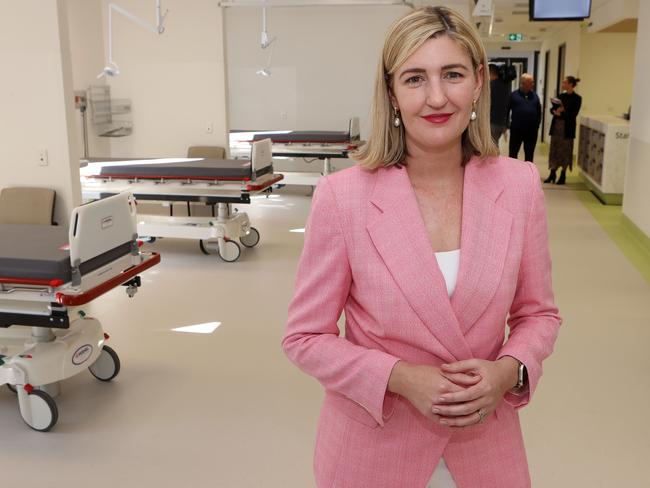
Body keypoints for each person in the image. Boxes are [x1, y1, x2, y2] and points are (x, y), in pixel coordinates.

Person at [282, 6, 561, 488]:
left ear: (477, 82)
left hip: (485, 452)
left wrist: (508, 371)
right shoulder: (344, 198)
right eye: (414, 79)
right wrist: (399, 376)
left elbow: (539, 314)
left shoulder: (518, 186)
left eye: (451, 74)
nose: (436, 97)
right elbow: (304, 338)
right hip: (373, 453)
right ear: (391, 92)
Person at [545, 76, 582, 185]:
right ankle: (552, 173)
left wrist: (563, 112)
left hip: (567, 129)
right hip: (556, 127)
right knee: (554, 149)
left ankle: (563, 174)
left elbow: (573, 114)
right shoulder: (561, 96)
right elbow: (553, 109)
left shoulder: (577, 98)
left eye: (565, 82)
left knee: (566, 151)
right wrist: (554, 112)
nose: (563, 84)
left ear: (571, 84)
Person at [507, 73, 541, 163]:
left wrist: (537, 125)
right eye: (531, 82)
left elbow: (539, 112)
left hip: (531, 131)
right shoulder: (514, 95)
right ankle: (512, 173)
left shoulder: (535, 96)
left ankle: (528, 174)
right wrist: (507, 125)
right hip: (516, 130)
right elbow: (506, 111)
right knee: (513, 153)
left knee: (529, 154)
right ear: (523, 83)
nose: (533, 84)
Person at [489, 63, 509, 146]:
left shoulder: (490, 86)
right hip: (502, 122)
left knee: (491, 147)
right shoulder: (505, 86)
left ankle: (494, 159)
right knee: (494, 144)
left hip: (492, 122)